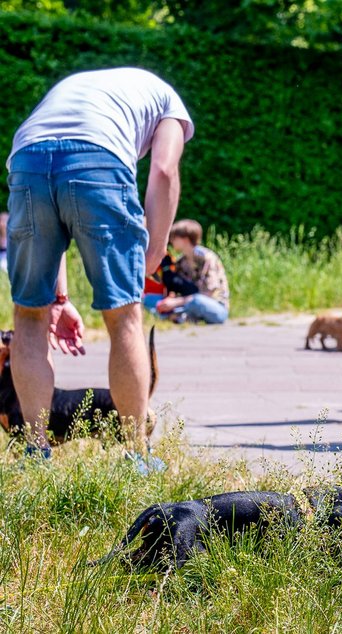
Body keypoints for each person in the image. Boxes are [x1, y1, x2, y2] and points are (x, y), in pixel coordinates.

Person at [5, 67, 193, 468]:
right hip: (99, 157)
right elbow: (163, 170)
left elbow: (55, 179)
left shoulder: (81, 89)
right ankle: (135, 455)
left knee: (30, 315)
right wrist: (156, 248)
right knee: (124, 315)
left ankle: (35, 453)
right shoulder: (171, 106)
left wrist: (59, 298)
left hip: (27, 158)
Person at [146, 219, 229, 324]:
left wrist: (176, 302)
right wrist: (169, 300)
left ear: (185, 239)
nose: (171, 241)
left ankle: (176, 316)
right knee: (149, 299)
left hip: (214, 306)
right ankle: (180, 316)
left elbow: (209, 293)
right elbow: (177, 287)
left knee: (197, 301)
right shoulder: (181, 261)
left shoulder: (207, 258)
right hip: (187, 302)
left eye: (174, 237)